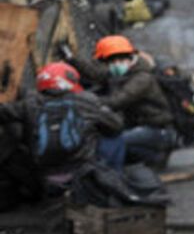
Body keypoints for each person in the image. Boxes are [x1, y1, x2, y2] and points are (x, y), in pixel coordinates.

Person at [0, 62, 124, 192]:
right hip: (83, 173)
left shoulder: (29, 104)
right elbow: (116, 126)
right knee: (115, 137)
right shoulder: (86, 101)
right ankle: (112, 180)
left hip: (45, 177)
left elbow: (3, 113)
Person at [69, 36, 177, 167]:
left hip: (156, 129)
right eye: (112, 62)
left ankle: (115, 177)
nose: (115, 65)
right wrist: (72, 59)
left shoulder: (142, 79)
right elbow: (96, 74)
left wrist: (87, 102)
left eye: (119, 60)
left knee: (114, 142)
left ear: (130, 58)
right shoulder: (124, 72)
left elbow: (118, 100)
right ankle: (151, 157)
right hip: (140, 126)